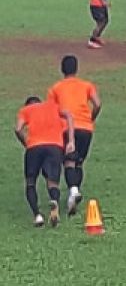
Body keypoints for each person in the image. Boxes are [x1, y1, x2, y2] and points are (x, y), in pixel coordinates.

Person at [47, 55, 101, 216]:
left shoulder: (55, 88)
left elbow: (51, 111)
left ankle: (73, 191)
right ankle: (74, 191)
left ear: (62, 69)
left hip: (66, 128)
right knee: (79, 163)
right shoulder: (86, 85)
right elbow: (98, 104)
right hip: (86, 128)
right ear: (76, 68)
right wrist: (90, 118)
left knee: (69, 162)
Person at [14, 96, 75, 228]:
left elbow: (18, 129)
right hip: (54, 146)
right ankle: (54, 201)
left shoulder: (26, 110)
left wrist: (25, 142)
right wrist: (71, 141)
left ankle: (37, 215)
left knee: (31, 181)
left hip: (34, 147)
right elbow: (69, 115)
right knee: (52, 181)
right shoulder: (53, 106)